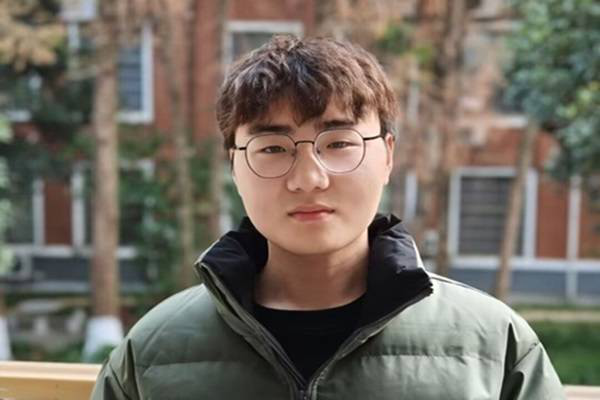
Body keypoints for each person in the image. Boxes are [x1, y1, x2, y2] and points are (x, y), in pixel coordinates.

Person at [91, 35, 565, 399]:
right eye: (272, 148)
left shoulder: (492, 344)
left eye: (338, 143)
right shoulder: (152, 352)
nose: (308, 178)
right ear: (234, 166)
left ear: (387, 155)